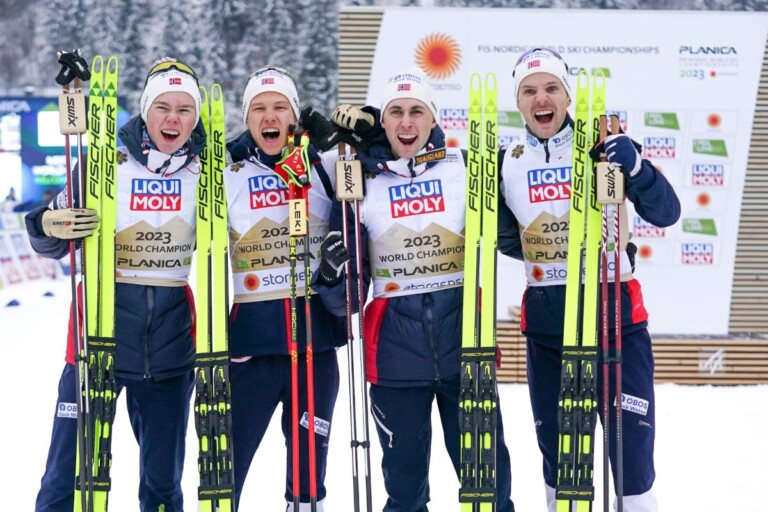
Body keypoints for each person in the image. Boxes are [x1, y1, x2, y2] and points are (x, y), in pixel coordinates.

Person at [322, 67, 515, 512]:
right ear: (383, 121)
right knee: (405, 493)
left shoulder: (462, 168)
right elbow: (345, 298)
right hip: (393, 360)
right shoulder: (359, 181)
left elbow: (509, 238)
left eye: (416, 111)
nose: (406, 122)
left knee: (488, 484)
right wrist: (333, 276)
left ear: (433, 120)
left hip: (464, 349)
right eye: (396, 112)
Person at [497, 48, 681, 512]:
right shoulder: (506, 161)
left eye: (551, 88)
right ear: (518, 102)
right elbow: (504, 236)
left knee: (632, 461)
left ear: (567, 95)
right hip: (549, 330)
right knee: (562, 462)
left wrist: (637, 169)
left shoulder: (606, 145)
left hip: (615, 319)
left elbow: (667, 213)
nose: (542, 99)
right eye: (530, 90)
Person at [25, 57, 205, 512]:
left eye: (185, 109)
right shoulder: (107, 160)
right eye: (163, 106)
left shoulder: (209, 171)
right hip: (97, 343)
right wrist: (47, 224)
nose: (173, 118)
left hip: (170, 352)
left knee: (163, 487)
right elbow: (50, 236)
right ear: (145, 110)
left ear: (197, 118)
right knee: (66, 479)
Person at [224, 65, 347, 512]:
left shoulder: (325, 165)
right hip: (249, 347)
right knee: (227, 464)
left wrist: (345, 136)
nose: (269, 115)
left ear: (294, 116)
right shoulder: (226, 169)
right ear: (247, 117)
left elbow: (380, 155)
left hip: (314, 346)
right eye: (259, 107)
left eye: (280, 107)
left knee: (309, 471)